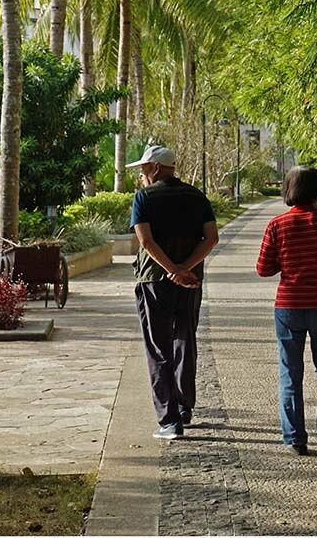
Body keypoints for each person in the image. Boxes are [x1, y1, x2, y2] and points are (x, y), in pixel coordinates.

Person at [256, 166, 317, 455]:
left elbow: (263, 269)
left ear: (289, 190)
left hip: (288, 307)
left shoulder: (277, 225)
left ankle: (295, 438)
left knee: (290, 372)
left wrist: (286, 263)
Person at [127, 145, 219, 440]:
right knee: (184, 341)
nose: (141, 176)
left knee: (158, 347)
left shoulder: (144, 198)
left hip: (153, 280)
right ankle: (184, 408)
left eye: (143, 170)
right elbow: (211, 238)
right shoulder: (197, 196)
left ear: (154, 168)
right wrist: (184, 269)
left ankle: (168, 421)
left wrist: (170, 269)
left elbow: (146, 242)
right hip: (190, 281)